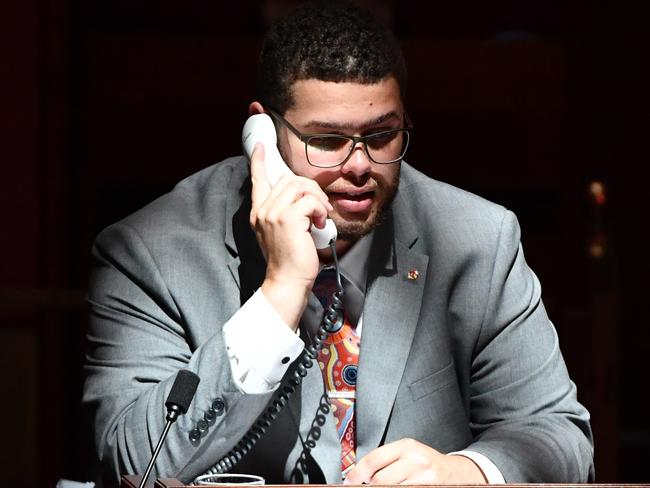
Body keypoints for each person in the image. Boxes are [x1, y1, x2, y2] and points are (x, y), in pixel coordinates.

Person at [82, 2, 594, 486]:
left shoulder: (479, 240)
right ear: (263, 131)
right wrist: (279, 294)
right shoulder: (149, 252)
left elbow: (559, 435)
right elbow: (133, 460)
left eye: (381, 136)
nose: (358, 166)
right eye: (326, 140)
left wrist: (470, 471)